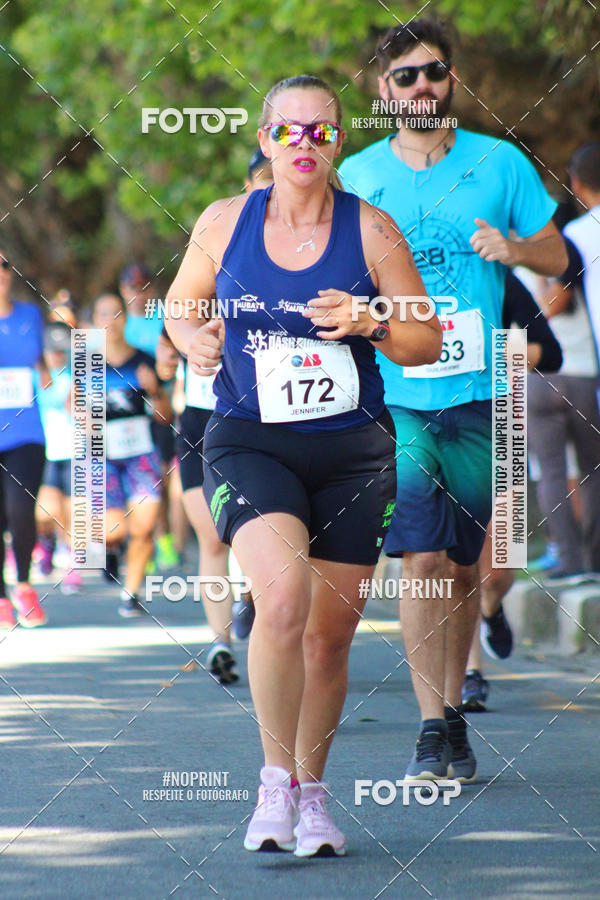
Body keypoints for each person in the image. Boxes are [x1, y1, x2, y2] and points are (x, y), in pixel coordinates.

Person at [165, 74, 441, 857]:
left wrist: (371, 319)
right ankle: (273, 783)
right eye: (289, 131)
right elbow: (183, 304)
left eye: (321, 131)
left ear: (340, 141)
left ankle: (314, 795)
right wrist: (194, 339)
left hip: (354, 453)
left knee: (328, 638)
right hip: (251, 439)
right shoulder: (224, 222)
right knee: (281, 600)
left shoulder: (374, 230)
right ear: (265, 140)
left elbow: (424, 340)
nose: (305, 145)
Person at [339, 18, 567, 783]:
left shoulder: (500, 162)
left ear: (453, 80)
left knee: (468, 566)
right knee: (422, 557)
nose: (422, 87)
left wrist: (516, 251)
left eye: (433, 72)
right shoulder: (362, 176)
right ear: (384, 91)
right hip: (397, 395)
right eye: (405, 77)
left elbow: (560, 255)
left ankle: (456, 713)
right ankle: (434, 725)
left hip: (482, 395)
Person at [462, 270, 563, 711]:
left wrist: (500, 354)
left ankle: (491, 608)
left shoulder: (497, 279)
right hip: (433, 430)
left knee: (500, 568)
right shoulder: (406, 278)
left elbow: (551, 352)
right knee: (453, 564)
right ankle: (470, 672)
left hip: (503, 425)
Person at [522, 143, 600, 584]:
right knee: (591, 470)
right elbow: (565, 298)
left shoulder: (512, 256)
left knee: (551, 469)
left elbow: (552, 303)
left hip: (539, 375)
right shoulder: (566, 240)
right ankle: (591, 561)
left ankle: (569, 562)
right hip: (584, 370)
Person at [93, 293, 172, 616]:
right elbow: (73, 407)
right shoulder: (85, 361)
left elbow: (165, 415)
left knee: (143, 528)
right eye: (103, 314)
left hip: (141, 453)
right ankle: (110, 550)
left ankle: (132, 591)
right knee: (115, 532)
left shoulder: (143, 360)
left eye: (116, 314)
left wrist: (153, 390)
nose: (110, 321)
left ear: (125, 319)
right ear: (95, 320)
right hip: (103, 456)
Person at [0, 248, 50, 628]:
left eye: (3, 265)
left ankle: (23, 585)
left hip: (26, 431)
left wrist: (55, 381)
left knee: (20, 508)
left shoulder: (30, 315)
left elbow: (43, 362)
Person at [120, 263, 179, 571]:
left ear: (152, 290)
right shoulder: (118, 324)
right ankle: (141, 540)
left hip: (160, 405)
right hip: (126, 412)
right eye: (132, 287)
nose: (138, 294)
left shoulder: (163, 319)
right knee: (136, 477)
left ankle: (163, 538)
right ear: (123, 290)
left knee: (162, 478)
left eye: (144, 287)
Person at [35, 316, 82, 593]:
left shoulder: (77, 378)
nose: (56, 355)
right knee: (46, 510)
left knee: (71, 511)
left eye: (61, 350)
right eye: (51, 350)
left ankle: (72, 561)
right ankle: (47, 542)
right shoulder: (34, 377)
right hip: (45, 452)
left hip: (74, 451)